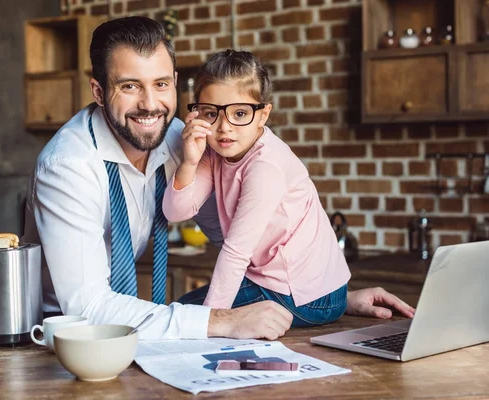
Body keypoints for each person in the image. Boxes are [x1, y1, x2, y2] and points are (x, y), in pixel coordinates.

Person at [22, 16, 415, 341]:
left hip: (140, 334)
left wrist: (322, 296)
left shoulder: (182, 137)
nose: (149, 104)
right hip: (67, 340)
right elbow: (89, 307)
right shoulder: (68, 166)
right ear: (98, 90)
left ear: (174, 83)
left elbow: (228, 237)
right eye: (129, 86)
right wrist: (223, 321)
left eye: (160, 84)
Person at [164, 50, 349, 328]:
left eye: (240, 113)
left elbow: (236, 253)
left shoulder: (266, 166)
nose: (225, 127)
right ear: (198, 113)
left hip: (308, 296)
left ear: (263, 115)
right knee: (181, 313)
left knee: (184, 314)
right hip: (293, 286)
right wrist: (189, 161)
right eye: (211, 113)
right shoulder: (213, 152)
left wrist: (212, 324)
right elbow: (175, 212)